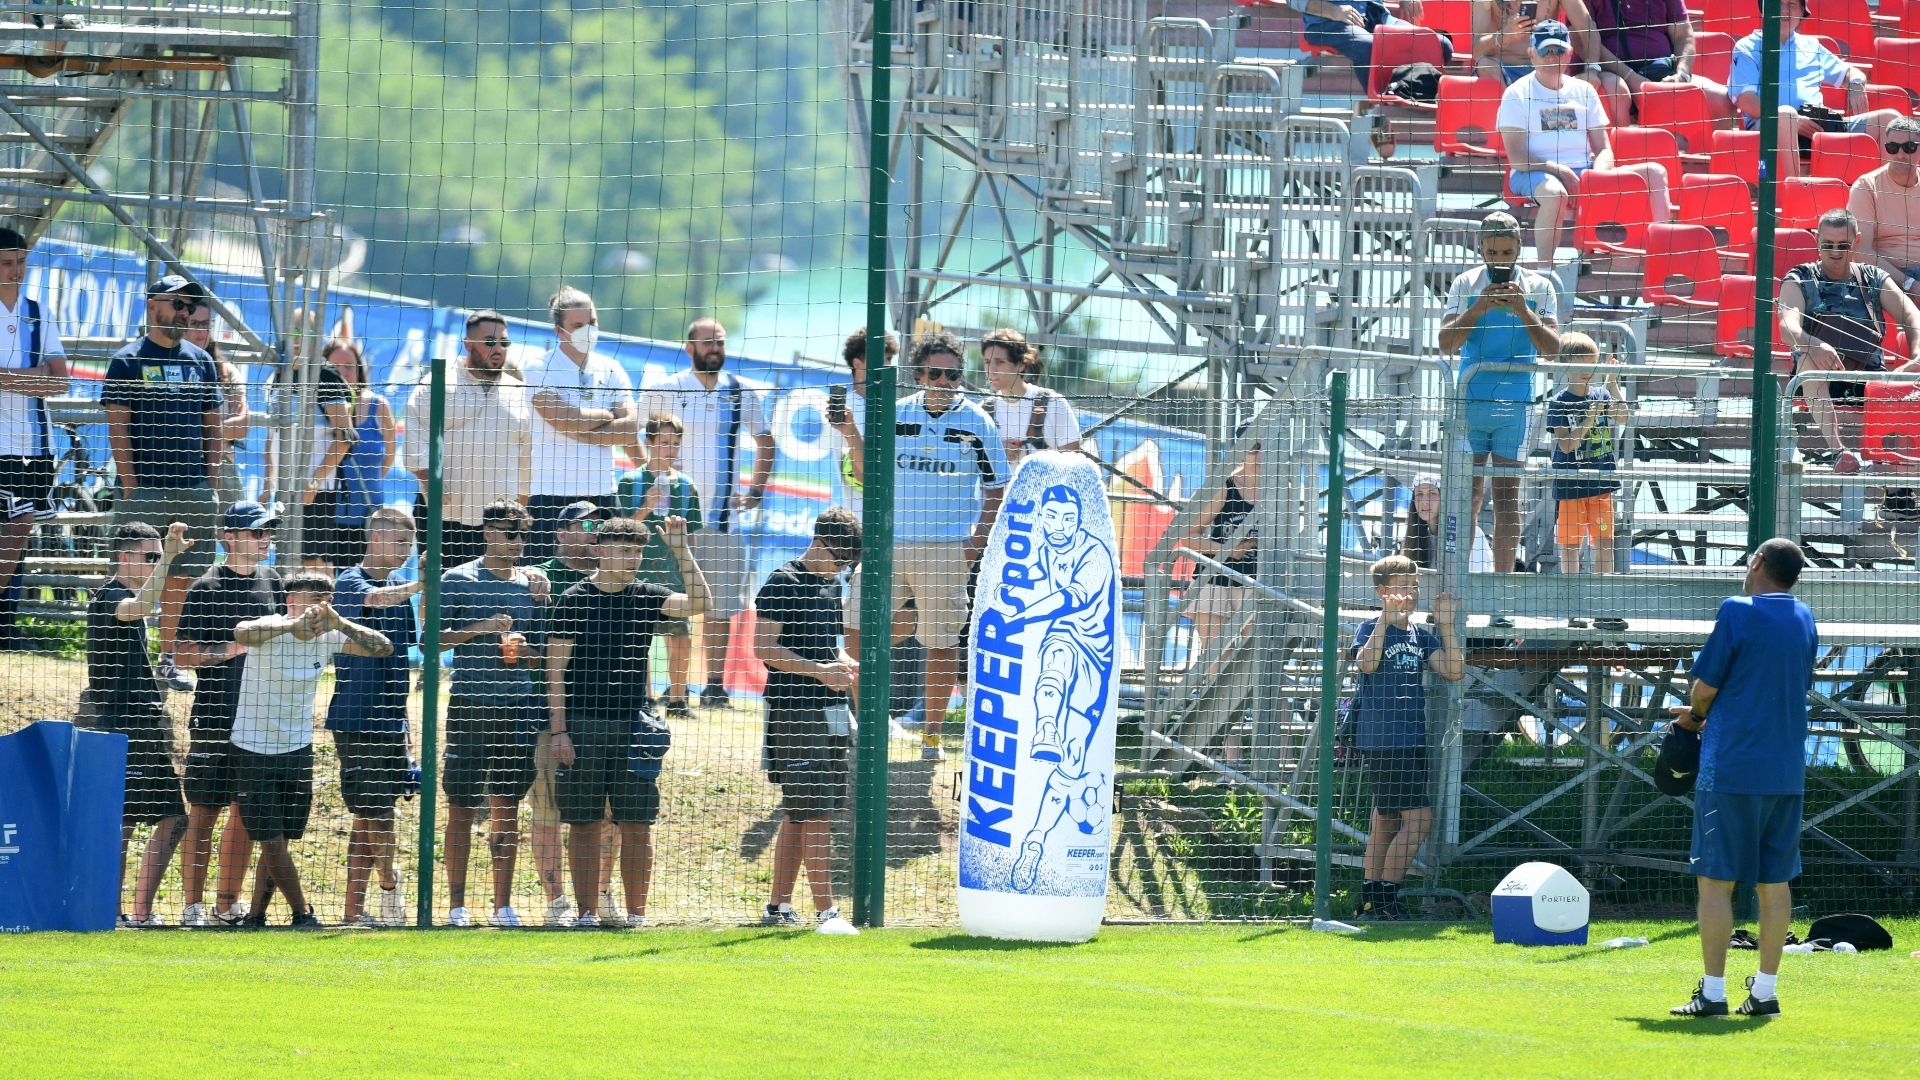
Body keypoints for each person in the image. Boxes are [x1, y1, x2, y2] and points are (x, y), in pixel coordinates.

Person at [1668, 538, 1817, 1018]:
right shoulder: (1805, 618)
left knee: (1715, 882)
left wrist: (1692, 715)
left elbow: (1705, 688)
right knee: (1774, 885)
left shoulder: (1736, 610)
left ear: (1757, 563)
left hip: (1730, 767)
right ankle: (1766, 992)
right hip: (1785, 771)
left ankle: (1713, 994)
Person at [546, 515, 710, 928]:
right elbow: (555, 673)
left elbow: (701, 603)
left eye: (636, 550)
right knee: (583, 824)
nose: (632, 558)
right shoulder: (574, 599)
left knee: (637, 824)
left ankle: (636, 915)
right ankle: (585, 914)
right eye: (622, 549)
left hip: (635, 726)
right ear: (599, 550)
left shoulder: (647, 595)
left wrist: (680, 549)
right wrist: (560, 731)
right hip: (581, 726)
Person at [229, 571, 392, 929]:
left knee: (281, 840)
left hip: (297, 751)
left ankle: (256, 916)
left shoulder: (330, 636)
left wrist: (340, 622)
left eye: (325, 600)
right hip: (253, 748)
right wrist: (291, 625)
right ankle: (304, 914)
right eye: (311, 599)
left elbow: (383, 647)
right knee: (272, 843)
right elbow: (241, 633)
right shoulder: (271, 626)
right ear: (290, 601)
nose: (319, 608)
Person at [638, 318, 775, 711]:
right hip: (668, 518)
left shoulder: (740, 390)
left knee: (719, 604)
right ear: (689, 348)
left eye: (720, 342)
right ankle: (661, 689)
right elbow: (635, 434)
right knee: (659, 602)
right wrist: (651, 479)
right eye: (707, 342)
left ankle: (715, 686)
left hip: (720, 520)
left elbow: (765, 439)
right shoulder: (667, 388)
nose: (715, 348)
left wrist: (756, 491)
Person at [891, 331, 1011, 761]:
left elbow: (997, 486)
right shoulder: (894, 413)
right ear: (918, 373)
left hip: (947, 548)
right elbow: (866, 474)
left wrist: (976, 544)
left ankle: (932, 738)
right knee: (861, 630)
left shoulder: (978, 421)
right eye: (935, 373)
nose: (944, 381)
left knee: (941, 644)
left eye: (953, 374)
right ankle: (864, 722)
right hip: (891, 544)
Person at [103, 274, 221, 693]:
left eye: (191, 306)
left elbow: (214, 426)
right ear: (153, 304)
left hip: (193, 489)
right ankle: (120, 665)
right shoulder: (127, 360)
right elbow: (117, 427)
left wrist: (210, 482)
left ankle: (167, 660)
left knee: (180, 578)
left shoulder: (201, 361)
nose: (186, 313)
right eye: (178, 304)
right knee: (128, 575)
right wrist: (132, 487)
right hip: (146, 490)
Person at [173, 500, 283, 926]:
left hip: (260, 720)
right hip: (215, 717)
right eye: (257, 532)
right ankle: (192, 907)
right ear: (229, 536)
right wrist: (234, 648)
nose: (265, 539)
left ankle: (226, 906)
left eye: (267, 531)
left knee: (244, 816)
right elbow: (181, 655)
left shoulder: (274, 581)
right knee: (203, 814)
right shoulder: (206, 587)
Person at [753, 507, 862, 935]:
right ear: (819, 544)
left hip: (829, 709)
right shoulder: (783, 581)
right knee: (815, 812)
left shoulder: (828, 584)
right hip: (793, 710)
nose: (842, 570)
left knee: (801, 812)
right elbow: (764, 648)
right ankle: (827, 912)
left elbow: (825, 646)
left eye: (847, 565)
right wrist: (820, 671)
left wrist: (844, 662)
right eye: (840, 561)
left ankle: (778, 906)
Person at [439, 498, 545, 928]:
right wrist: (480, 629)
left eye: (523, 534)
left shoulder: (532, 586)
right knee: (461, 808)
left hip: (517, 707)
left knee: (507, 809)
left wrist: (527, 650)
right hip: (470, 704)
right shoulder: (457, 580)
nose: (518, 543)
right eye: (509, 533)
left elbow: (542, 653)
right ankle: (455, 906)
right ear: (488, 531)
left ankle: (503, 906)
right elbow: (434, 639)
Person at [1439, 213, 1562, 572]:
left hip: (1515, 408)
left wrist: (1523, 311)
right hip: (1469, 404)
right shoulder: (1466, 283)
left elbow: (1554, 350)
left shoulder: (1540, 288)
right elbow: (1446, 342)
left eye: (1507, 252)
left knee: (1507, 499)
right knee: (1468, 498)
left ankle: (1502, 593)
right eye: (1492, 252)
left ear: (1519, 249)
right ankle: (1457, 581)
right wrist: (1479, 307)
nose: (1500, 261)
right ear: (1481, 249)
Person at [1496, 21, 1671, 268]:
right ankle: (1545, 272)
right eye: (1545, 51)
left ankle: (1662, 259)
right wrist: (1561, 171)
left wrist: (1596, 179)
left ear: (1569, 53)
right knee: (1556, 193)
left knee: (1656, 172)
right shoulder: (1516, 94)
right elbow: (1516, 158)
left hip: (1585, 171)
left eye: (1559, 51)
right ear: (1531, 53)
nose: (1552, 57)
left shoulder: (1584, 90)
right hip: (1533, 172)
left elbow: (1603, 149)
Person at [86, 522, 191, 927]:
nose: (153, 564)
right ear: (125, 557)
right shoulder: (111, 595)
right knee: (125, 822)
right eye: (148, 557)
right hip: (123, 724)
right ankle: (112, 912)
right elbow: (141, 608)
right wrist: (168, 556)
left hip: (142, 722)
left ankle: (136, 913)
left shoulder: (124, 594)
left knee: (165, 817)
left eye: (155, 556)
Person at [1348, 555, 1463, 920]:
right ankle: (1386, 898)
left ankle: (1372, 902)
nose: (1409, 594)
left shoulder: (1421, 636)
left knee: (1386, 820)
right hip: (1384, 738)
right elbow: (1366, 664)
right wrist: (1385, 618)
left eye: (1414, 587)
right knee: (1420, 820)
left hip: (1411, 737)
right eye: (1401, 588)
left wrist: (1446, 625)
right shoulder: (1370, 628)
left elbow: (1454, 671)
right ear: (1382, 592)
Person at [325, 507, 421, 927]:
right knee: (376, 812)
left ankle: (354, 910)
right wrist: (425, 583)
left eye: (410, 543)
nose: (407, 551)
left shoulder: (402, 586)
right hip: (357, 715)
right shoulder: (349, 581)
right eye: (401, 542)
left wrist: (405, 723)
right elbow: (375, 599)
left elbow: (406, 650)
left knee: (372, 813)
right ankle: (389, 886)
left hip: (392, 718)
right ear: (376, 539)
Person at [522, 498, 616, 926]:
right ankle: (557, 901)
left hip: (603, 711)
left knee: (610, 813)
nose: (594, 532)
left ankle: (600, 895)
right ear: (561, 534)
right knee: (547, 810)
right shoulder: (539, 577)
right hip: (548, 713)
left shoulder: (614, 577)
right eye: (584, 525)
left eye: (599, 524)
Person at [1777, 209, 1920, 460]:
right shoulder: (1799, 278)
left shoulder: (1874, 277)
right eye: (1827, 244)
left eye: (1842, 245)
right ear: (1816, 240)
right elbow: (1788, 326)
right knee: (1808, 362)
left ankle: (1898, 481)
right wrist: (1813, 344)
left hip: (1867, 378)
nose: (1834, 252)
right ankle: (1839, 453)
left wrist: (1917, 358)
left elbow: (1912, 316)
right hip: (1817, 378)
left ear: (1856, 242)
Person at [403, 310, 532, 570]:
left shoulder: (518, 392)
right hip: (445, 514)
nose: (498, 349)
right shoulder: (438, 384)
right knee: (438, 591)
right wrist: (432, 483)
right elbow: (414, 436)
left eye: (504, 343)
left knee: (491, 594)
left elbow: (526, 457)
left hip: (498, 521)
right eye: (489, 342)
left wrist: (521, 506)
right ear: (468, 344)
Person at [1727, 0, 1904, 180]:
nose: (1785, 11)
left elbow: (1850, 72)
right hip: (1768, 127)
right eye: (1778, 4)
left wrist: (1856, 83)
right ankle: (1794, 191)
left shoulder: (1811, 46)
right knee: (1786, 115)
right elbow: (1746, 101)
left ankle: (1884, 192)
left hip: (1816, 127)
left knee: (1891, 119)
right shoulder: (1747, 47)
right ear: (1764, 9)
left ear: (1802, 12)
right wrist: (1793, 120)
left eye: (1792, 5)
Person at [523, 286, 635, 562]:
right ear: (559, 331)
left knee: (609, 578)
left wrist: (579, 428)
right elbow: (564, 419)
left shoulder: (611, 368)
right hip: (551, 494)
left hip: (602, 492)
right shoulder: (539, 367)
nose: (589, 330)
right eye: (579, 325)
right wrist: (607, 416)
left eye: (592, 322)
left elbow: (631, 428)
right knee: (540, 581)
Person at [0, 227, 67, 647]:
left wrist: (5, 379)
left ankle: (6, 625)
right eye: (7, 263)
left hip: (34, 446)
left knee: (18, 534)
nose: (16, 271)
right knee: (11, 532)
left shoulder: (38, 314)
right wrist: (33, 376)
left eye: (21, 262)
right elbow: (46, 377)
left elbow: (60, 382)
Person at [615, 414, 703, 716]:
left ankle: (678, 700)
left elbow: (692, 534)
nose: (670, 449)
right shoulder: (630, 481)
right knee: (638, 640)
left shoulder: (687, 486)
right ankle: (645, 700)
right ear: (649, 443)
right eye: (664, 443)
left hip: (672, 572)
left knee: (679, 636)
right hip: (635, 572)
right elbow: (619, 531)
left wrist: (682, 541)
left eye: (676, 444)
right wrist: (645, 508)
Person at [302, 339, 394, 571]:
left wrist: (368, 484)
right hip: (326, 511)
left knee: (369, 581)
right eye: (336, 367)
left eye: (350, 366)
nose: (344, 372)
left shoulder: (378, 405)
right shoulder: (315, 404)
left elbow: (390, 454)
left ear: (360, 369)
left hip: (367, 515)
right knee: (322, 581)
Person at [830, 326, 891, 662]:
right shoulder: (843, 410)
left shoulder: (897, 406)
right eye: (880, 360)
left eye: (890, 360)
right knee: (853, 617)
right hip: (855, 526)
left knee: (890, 616)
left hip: (896, 526)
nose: (886, 366)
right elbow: (853, 471)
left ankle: (878, 698)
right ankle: (851, 696)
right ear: (858, 363)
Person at [1546, 332, 1627, 575]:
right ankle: (1572, 601)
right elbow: (1565, 445)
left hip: (1601, 483)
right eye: (1581, 363)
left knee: (1604, 543)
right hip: (1571, 485)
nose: (1587, 369)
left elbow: (1623, 417)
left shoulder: (1601, 394)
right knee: (1570, 545)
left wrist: (1612, 385)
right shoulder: (1559, 402)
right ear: (1567, 365)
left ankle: (1603, 602)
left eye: (1591, 363)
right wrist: (1589, 419)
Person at [1473, 0, 1629, 123]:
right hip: (1505, 70)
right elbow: (1476, 49)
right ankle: (1518, 128)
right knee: (1485, 65)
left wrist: (1592, 69)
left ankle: (1614, 153)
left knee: (1617, 87)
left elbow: (1588, 27)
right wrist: (1504, 36)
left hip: (1550, 70)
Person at [1585, 0, 1735, 121]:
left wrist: (1682, 75)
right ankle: (1623, 153)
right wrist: (1631, 77)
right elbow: (1584, 40)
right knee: (1618, 91)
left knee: (1721, 99)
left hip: (1660, 70)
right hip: (1611, 73)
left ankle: (1696, 156)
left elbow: (1684, 36)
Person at [1181, 439, 1260, 654]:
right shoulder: (1224, 486)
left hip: (1256, 585)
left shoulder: (1282, 490)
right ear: (1241, 451)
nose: (1261, 455)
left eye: (1268, 447)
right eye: (1255, 448)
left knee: (1256, 664)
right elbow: (1187, 536)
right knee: (1216, 660)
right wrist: (1227, 550)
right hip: (1215, 581)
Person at [1288, 0, 1452, 92]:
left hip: (1377, 17)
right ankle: (1379, 110)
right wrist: (1334, 11)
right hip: (1328, 22)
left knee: (1440, 44)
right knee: (1370, 46)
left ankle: (1407, 92)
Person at [980, 328, 1083, 467]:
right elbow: (969, 463)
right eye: (987, 361)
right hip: (996, 489)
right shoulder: (983, 411)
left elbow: (1073, 462)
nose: (991, 369)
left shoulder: (1053, 403)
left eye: (999, 362)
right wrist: (995, 452)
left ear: (1020, 365)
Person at [1848, 117, 1920, 310]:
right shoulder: (1866, 186)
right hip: (1884, 276)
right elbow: (1861, 252)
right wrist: (1909, 283)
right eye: (1893, 148)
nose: (1901, 154)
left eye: (1909, 147)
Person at [182, 309, 251, 510]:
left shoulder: (225, 372)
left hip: (221, 461)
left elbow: (242, 426)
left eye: (206, 324)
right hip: (176, 464)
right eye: (194, 324)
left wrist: (191, 432)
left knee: (239, 531)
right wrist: (216, 431)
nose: (201, 331)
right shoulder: (168, 367)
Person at [1401, 474, 1495, 573]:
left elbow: (1477, 580)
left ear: (1445, 499)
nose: (1424, 501)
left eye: (1432, 494)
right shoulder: (1415, 539)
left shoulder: (1470, 534)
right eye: (1419, 494)